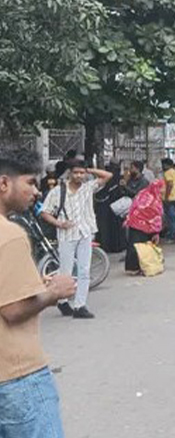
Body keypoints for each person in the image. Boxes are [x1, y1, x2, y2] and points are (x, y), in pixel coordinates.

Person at [0, 149, 78, 438]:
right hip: (18, 375)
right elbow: (12, 310)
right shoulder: (9, 235)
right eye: (30, 182)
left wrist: (34, 284)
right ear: (4, 183)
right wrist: (54, 292)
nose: (36, 191)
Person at [40, 159, 112, 319]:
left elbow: (108, 176)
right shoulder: (58, 191)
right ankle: (62, 301)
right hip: (67, 235)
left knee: (84, 270)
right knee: (66, 271)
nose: (79, 176)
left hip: (85, 232)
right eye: (76, 172)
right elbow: (45, 212)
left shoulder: (88, 187)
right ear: (69, 173)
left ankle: (80, 305)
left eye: (81, 173)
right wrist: (59, 223)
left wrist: (89, 169)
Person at [123, 179, 165, 276]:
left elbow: (134, 207)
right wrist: (156, 232)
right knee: (144, 247)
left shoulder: (142, 193)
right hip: (146, 226)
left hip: (134, 223)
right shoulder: (155, 200)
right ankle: (145, 266)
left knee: (134, 246)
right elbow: (156, 217)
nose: (163, 190)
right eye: (162, 188)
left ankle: (132, 268)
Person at [93, 161, 128, 255]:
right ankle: (116, 246)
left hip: (106, 208)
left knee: (105, 227)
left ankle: (106, 246)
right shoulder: (118, 180)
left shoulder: (106, 180)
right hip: (115, 208)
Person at [161, 158, 175, 243]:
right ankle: (174, 234)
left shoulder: (167, 173)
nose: (162, 166)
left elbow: (169, 184)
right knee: (173, 217)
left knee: (170, 218)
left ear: (166, 165)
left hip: (169, 198)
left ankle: (172, 236)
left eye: (163, 165)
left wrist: (166, 196)